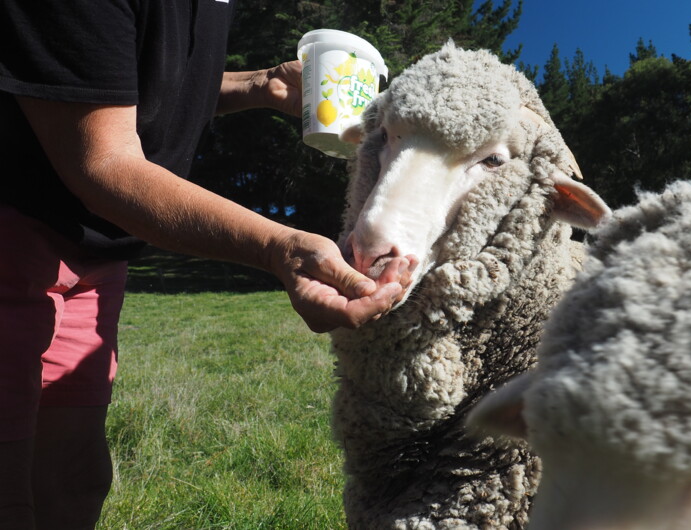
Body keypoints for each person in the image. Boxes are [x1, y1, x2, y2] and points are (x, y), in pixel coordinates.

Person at [0, 1, 415, 528]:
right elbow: (100, 160)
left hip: (93, 250)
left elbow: (112, 80)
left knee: (74, 479)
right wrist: (277, 247)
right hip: (14, 232)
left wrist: (260, 84)